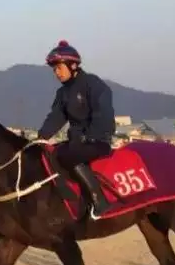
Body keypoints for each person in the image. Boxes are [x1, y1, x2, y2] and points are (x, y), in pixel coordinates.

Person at [36, 40, 116, 217]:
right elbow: (56, 117)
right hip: (77, 142)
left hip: (98, 141)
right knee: (51, 154)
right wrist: (41, 137)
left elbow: (103, 114)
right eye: (54, 69)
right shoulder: (62, 93)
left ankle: (99, 201)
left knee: (71, 156)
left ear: (73, 65)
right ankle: (68, 201)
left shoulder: (93, 84)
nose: (56, 73)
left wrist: (90, 136)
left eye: (59, 68)